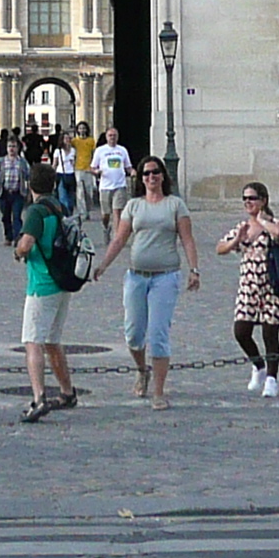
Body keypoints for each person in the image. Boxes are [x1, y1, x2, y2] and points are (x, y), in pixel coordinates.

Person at [103, 157, 199, 410]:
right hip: (136, 276)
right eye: (146, 173)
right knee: (133, 334)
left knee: (158, 334)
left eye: (156, 172)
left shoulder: (175, 205)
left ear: (163, 176)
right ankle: (141, 369)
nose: (151, 177)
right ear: (141, 178)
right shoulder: (134, 206)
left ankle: (158, 391)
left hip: (165, 277)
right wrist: (102, 265)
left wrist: (194, 269)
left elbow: (188, 239)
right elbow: (119, 239)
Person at [10, 161, 81, 420]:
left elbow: (27, 243)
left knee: (33, 342)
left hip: (41, 283)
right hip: (61, 281)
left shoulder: (36, 212)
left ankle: (39, 397)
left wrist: (17, 252)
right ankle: (67, 391)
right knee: (52, 342)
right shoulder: (57, 206)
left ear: (30, 185)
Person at [214, 180, 279, 398]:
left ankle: (272, 379)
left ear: (263, 200)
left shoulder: (274, 223)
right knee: (241, 331)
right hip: (249, 288)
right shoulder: (243, 228)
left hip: (273, 287)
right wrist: (236, 241)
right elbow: (220, 247)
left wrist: (262, 221)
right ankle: (258, 365)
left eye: (252, 198)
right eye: (245, 199)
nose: (248, 202)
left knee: (270, 333)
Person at [0, 137, 31, 244]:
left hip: (18, 192)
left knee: (17, 216)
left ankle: (18, 237)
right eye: (9, 146)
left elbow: (29, 176)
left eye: (14, 146)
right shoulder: (1, 161)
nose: (11, 149)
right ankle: (8, 236)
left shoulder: (22, 162)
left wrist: (30, 191)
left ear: (18, 148)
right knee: (5, 216)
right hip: (4, 192)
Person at [90, 128, 131, 220]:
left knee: (117, 211)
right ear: (106, 137)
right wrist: (96, 172)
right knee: (106, 214)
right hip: (105, 186)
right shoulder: (100, 150)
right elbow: (92, 167)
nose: (112, 137)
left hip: (120, 185)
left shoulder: (122, 150)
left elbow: (128, 166)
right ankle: (106, 228)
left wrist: (133, 172)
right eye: (110, 135)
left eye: (114, 135)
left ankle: (116, 233)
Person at [48, 135, 80, 218]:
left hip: (71, 174)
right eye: (66, 138)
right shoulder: (58, 151)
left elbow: (76, 163)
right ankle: (65, 215)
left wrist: (73, 163)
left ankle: (69, 214)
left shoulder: (73, 150)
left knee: (71, 198)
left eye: (69, 138)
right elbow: (55, 164)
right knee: (63, 197)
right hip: (61, 174)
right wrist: (51, 175)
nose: (68, 140)